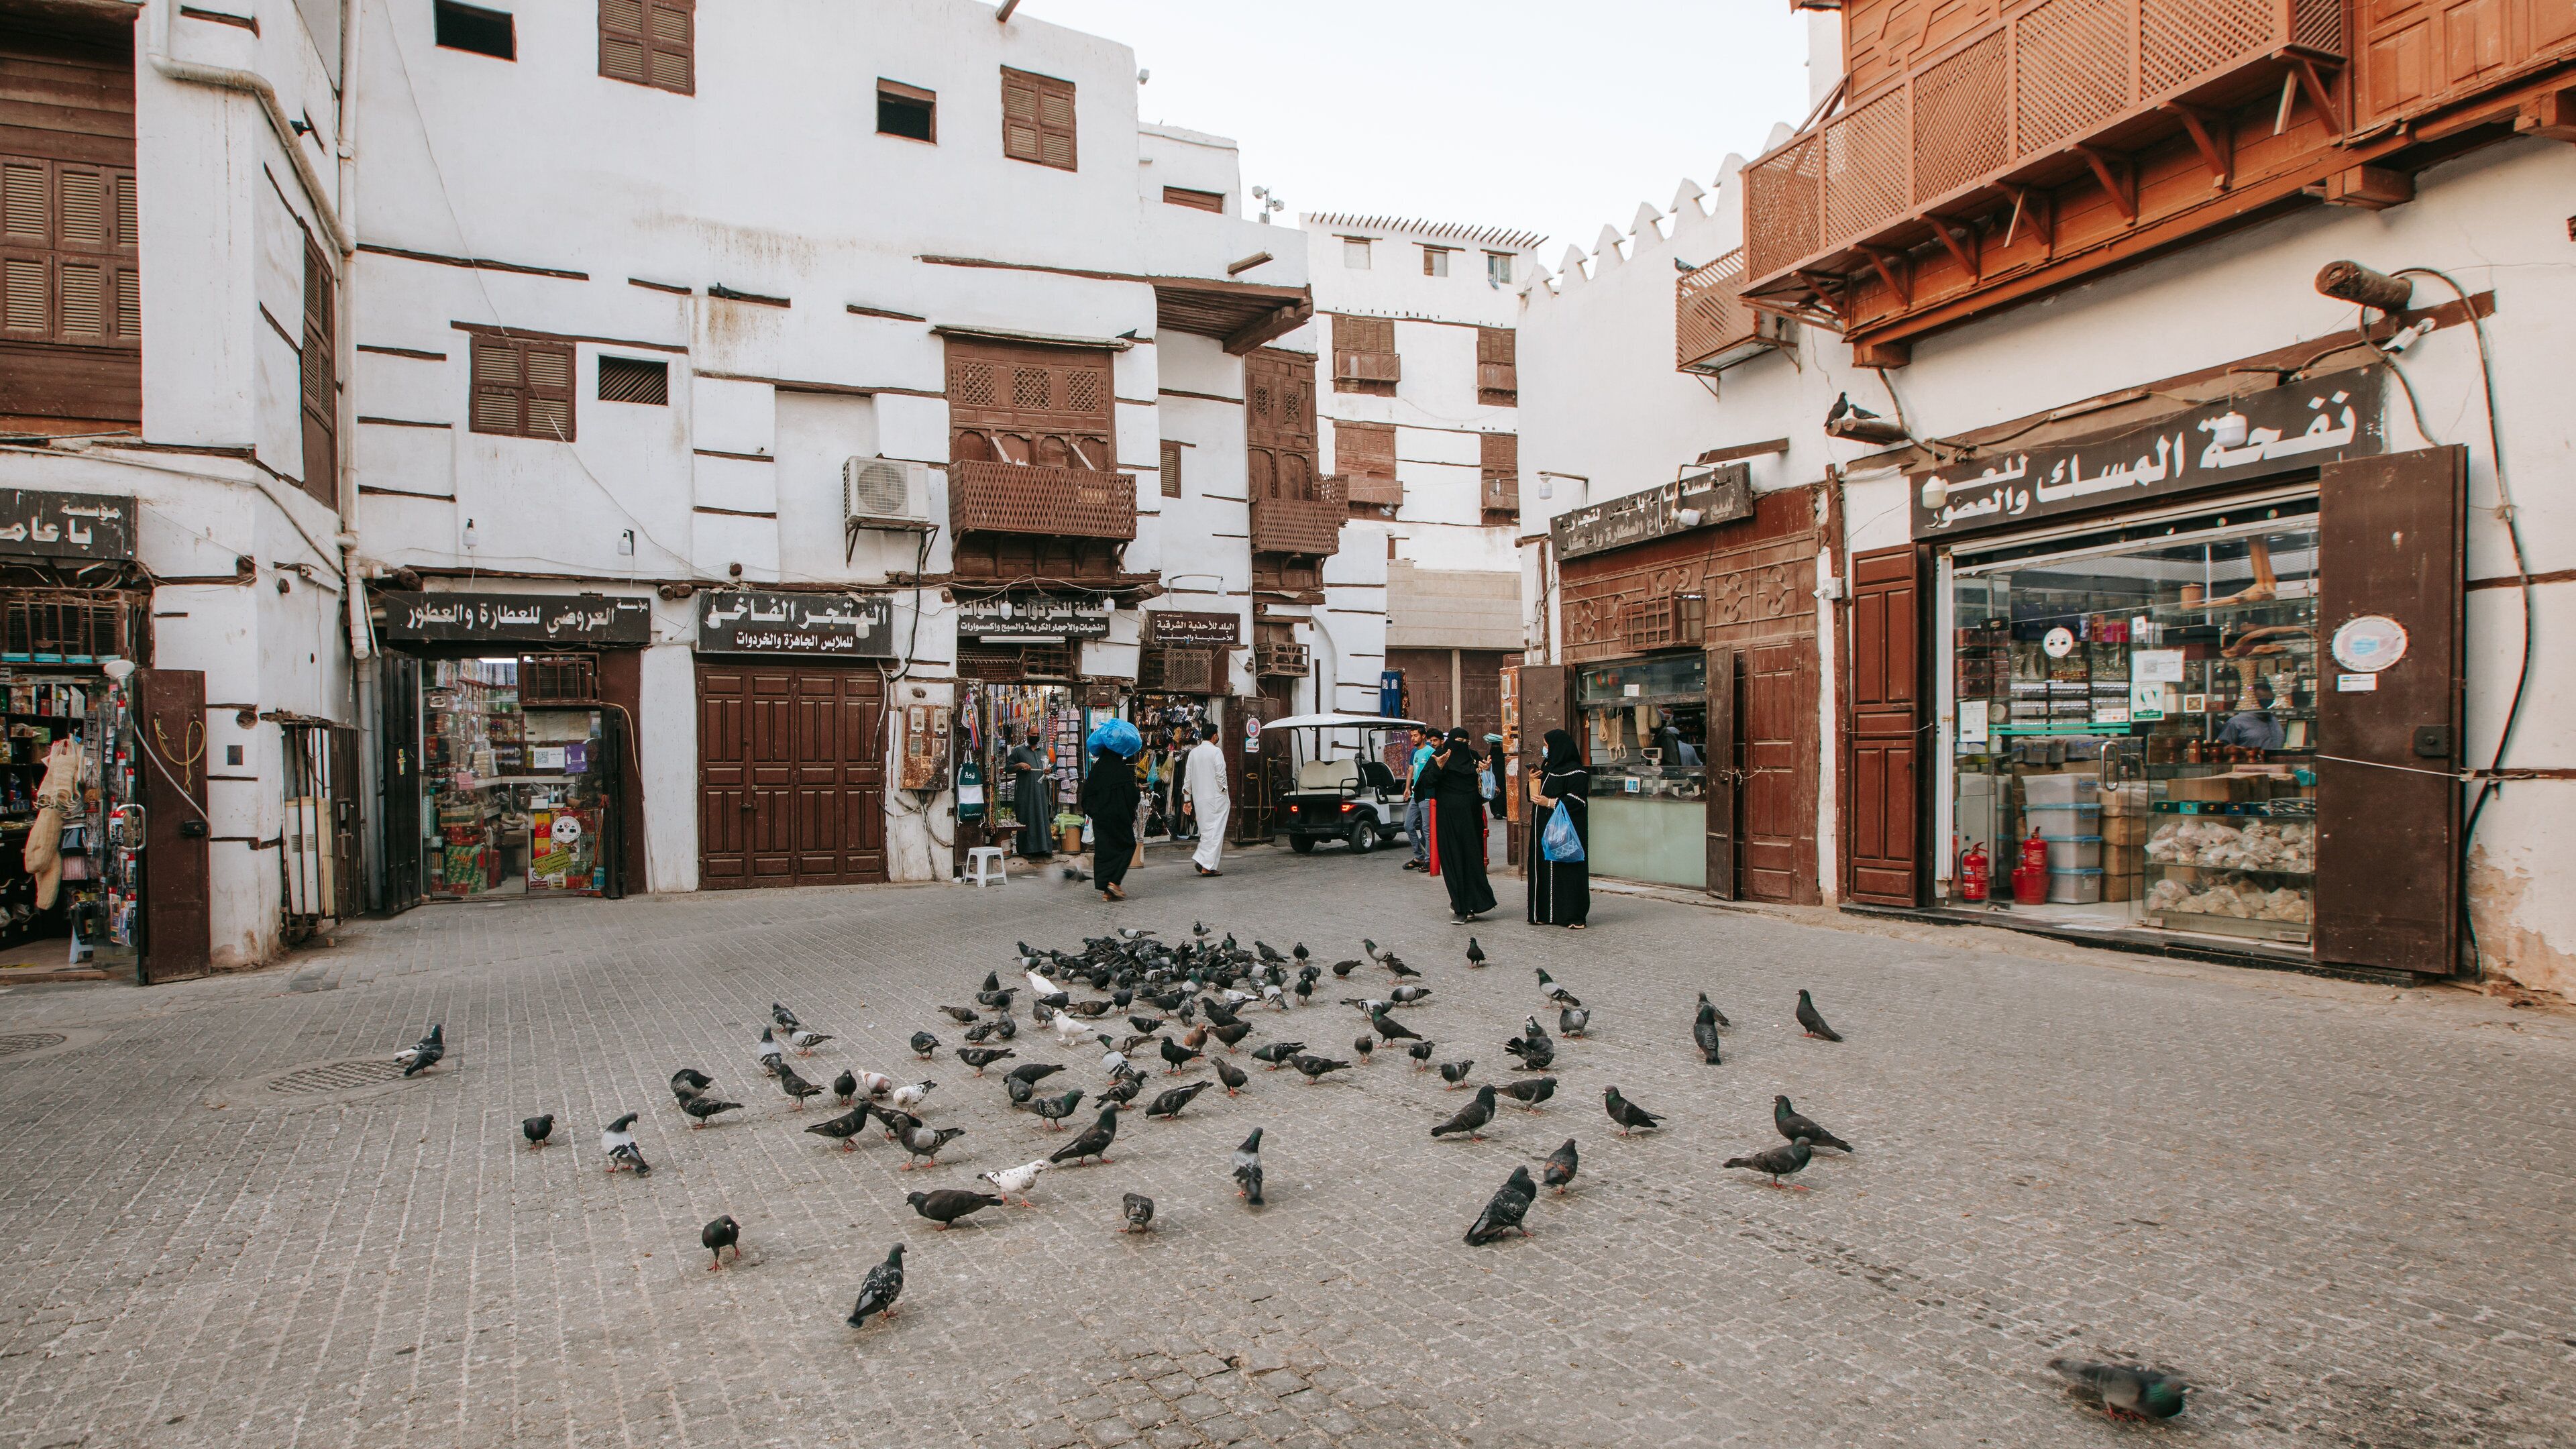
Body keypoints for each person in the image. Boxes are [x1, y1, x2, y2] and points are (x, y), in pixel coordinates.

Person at [1426, 728, 1497, 922]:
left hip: (1472, 818)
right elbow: (1425, 783)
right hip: (1448, 819)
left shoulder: (1473, 757)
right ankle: (1460, 907)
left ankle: (1475, 903)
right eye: (1458, 741)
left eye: (1466, 741)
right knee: (1453, 860)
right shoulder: (1441, 755)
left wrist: (1487, 771)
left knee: (1472, 860)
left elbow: (1487, 787)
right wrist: (1438, 767)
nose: (1462, 745)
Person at [1527, 729, 1591, 930]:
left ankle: (1572, 915)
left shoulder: (1577, 773)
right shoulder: (1547, 768)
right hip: (1543, 830)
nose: (1545, 749)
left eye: (1547, 746)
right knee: (1543, 868)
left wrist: (1551, 802)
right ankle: (1543, 913)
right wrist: (1533, 781)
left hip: (1566, 833)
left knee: (1567, 870)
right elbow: (1535, 797)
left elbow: (1577, 801)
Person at [1079, 737, 1141, 902]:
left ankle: (1107, 890)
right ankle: (1114, 882)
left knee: (1104, 851)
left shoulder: (1096, 770)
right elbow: (1132, 795)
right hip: (1119, 817)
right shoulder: (1122, 770)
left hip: (1101, 818)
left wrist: (1095, 813)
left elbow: (1086, 797)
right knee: (1128, 845)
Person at [1181, 725, 1230, 877]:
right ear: (1214, 736)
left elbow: (1188, 777)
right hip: (1215, 797)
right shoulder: (1216, 752)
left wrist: (1187, 799)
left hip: (1200, 799)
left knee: (1206, 832)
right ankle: (1206, 865)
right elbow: (1221, 774)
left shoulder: (1194, 753)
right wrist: (1223, 790)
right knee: (1215, 832)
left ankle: (1203, 860)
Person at [1005, 731, 1052, 859]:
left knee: (1042, 816)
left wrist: (1049, 770)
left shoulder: (1043, 751)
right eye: (1033, 733)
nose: (1035, 735)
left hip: (1041, 791)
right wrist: (1020, 765)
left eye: (1037, 733)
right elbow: (1008, 768)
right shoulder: (1019, 751)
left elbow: (1050, 768)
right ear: (1027, 734)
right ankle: (1027, 849)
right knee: (1027, 816)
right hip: (1025, 791)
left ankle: (1044, 849)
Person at [2216, 678, 2286, 751]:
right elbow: (2222, 749)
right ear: (2253, 699)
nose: (2266, 701)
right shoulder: (2236, 722)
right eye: (2262, 698)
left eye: (2270, 699)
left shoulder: (2273, 720)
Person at [1402, 725, 1436, 872]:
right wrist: (1407, 788)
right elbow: (1411, 771)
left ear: (1423, 736)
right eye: (1411, 736)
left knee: (1426, 829)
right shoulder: (1415, 752)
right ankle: (1419, 856)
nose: (1413, 738)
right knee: (1408, 825)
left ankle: (1429, 860)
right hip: (1416, 795)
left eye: (1415, 735)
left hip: (1426, 795)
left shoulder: (1431, 752)